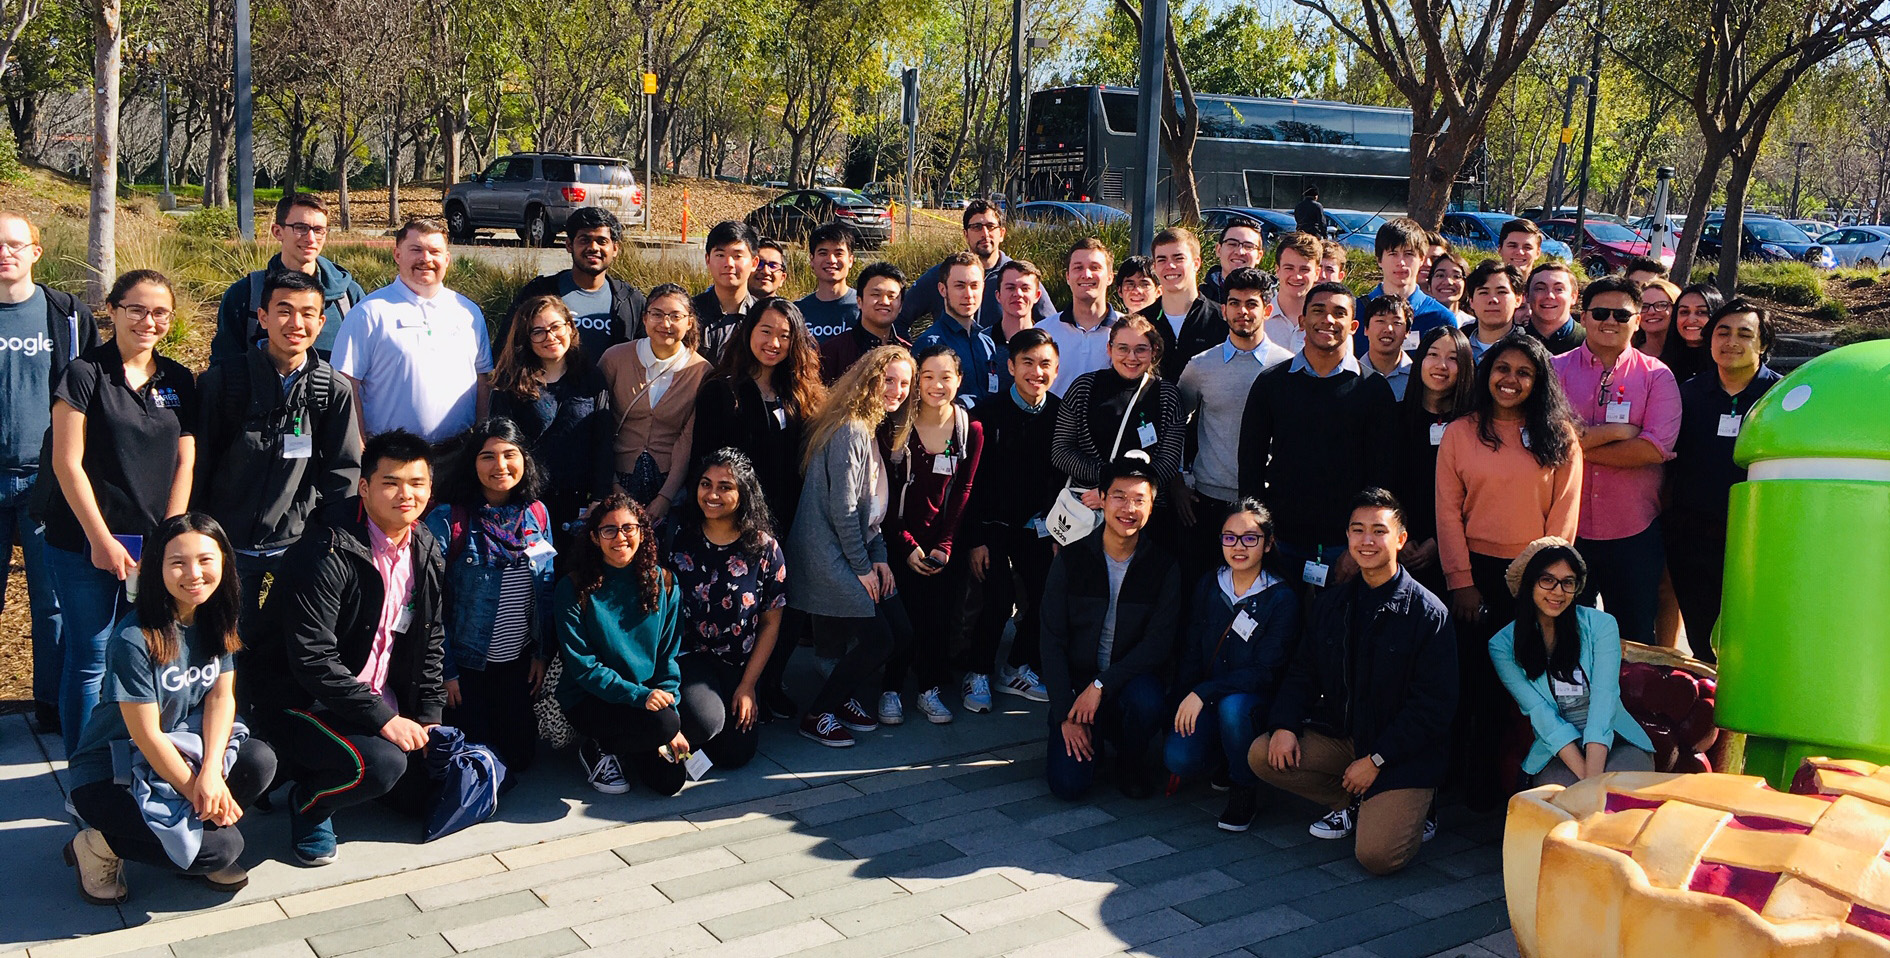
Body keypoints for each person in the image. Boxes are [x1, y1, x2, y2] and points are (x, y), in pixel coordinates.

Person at [243, 430, 445, 866]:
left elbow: (430, 635)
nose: (405, 494)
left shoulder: (424, 545)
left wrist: (429, 715)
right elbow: (312, 660)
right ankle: (310, 802)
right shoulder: (324, 550)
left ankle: (304, 768)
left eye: (417, 483)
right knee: (383, 766)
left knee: (422, 790)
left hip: (367, 696)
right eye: (391, 482)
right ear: (366, 487)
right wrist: (385, 719)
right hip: (303, 699)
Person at [64, 514, 277, 903]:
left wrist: (211, 773)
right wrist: (198, 790)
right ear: (156, 567)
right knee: (221, 849)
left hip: (182, 750)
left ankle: (184, 825)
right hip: (113, 771)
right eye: (177, 562)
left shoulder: (215, 616)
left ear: (225, 562)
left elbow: (219, 697)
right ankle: (98, 845)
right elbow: (146, 736)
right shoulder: (134, 638)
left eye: (205, 560)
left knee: (259, 760)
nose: (193, 573)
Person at [1253, 488, 1457, 876]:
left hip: (1402, 755)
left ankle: (1416, 805)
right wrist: (1284, 724)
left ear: (1399, 539)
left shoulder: (1429, 615)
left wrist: (1377, 760)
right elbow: (1303, 672)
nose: (1367, 541)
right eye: (1357, 530)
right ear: (1346, 539)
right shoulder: (1333, 603)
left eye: (1378, 531)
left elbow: (1434, 708)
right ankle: (1351, 803)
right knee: (1263, 754)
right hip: (1347, 737)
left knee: (1377, 857)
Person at [45, 270, 198, 758]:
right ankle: (84, 773)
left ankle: (138, 761)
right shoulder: (84, 374)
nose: (147, 321)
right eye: (136, 309)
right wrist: (100, 538)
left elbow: (185, 460)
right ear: (112, 310)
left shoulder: (176, 379)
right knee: (90, 658)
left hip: (152, 546)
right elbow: (67, 462)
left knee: (145, 655)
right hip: (84, 542)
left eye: (159, 313)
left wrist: (170, 539)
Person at [193, 270, 362, 628]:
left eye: (307, 313)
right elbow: (197, 464)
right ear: (263, 316)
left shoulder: (331, 390)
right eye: (284, 311)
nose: (295, 323)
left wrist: (329, 543)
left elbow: (343, 473)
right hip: (227, 545)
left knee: (288, 651)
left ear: (321, 322)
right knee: (229, 648)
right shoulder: (224, 382)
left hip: (295, 545)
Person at [692, 298, 824, 718]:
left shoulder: (798, 391)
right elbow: (708, 461)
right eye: (766, 331)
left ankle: (770, 683)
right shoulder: (722, 389)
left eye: (786, 336)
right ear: (748, 331)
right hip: (736, 521)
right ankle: (736, 687)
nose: (774, 342)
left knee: (782, 607)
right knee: (741, 610)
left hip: (789, 517)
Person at [786, 345, 917, 747]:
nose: (896, 390)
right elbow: (844, 512)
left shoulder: (870, 428)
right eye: (888, 380)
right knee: (880, 639)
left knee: (902, 633)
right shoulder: (850, 430)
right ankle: (818, 713)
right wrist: (863, 568)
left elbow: (870, 514)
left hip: (855, 551)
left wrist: (878, 560)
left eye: (904, 383)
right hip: (830, 556)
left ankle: (840, 698)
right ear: (868, 380)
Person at [0, 210, 97, 735]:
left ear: (36, 252)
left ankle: (51, 710)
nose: (5, 253)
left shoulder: (66, 315)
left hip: (48, 479)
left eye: (16, 244)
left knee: (52, 603)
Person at [1040, 451, 1181, 801]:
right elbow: (1051, 639)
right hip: (1077, 689)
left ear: (1152, 505)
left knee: (1148, 701)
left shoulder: (1164, 567)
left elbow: (1157, 645)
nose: (1128, 509)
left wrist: (1102, 684)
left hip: (1127, 685)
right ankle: (1089, 736)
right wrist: (1064, 713)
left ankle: (1131, 759)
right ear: (1101, 499)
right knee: (1068, 786)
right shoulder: (1071, 559)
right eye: (1118, 496)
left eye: (1139, 500)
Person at [1238, 282, 1397, 591]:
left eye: (1339, 313)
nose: (1328, 319)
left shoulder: (1374, 390)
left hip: (1348, 547)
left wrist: (1360, 546)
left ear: (1353, 325)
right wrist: (1260, 534)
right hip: (1282, 541)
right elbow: (1250, 463)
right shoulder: (1272, 383)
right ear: (1302, 321)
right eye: (1318, 311)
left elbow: (1383, 475)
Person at [423, 419, 558, 775]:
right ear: (472, 463)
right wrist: (445, 672)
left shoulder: (537, 513)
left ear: (524, 459)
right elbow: (429, 605)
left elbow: (544, 592)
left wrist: (541, 654)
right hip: (466, 669)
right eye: (488, 456)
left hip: (516, 663)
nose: (500, 466)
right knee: (470, 757)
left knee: (519, 759)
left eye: (509, 454)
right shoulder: (449, 519)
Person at [1552, 276, 1681, 645]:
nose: (1610, 321)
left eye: (1621, 314)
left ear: (1638, 320)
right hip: (1566, 528)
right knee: (1564, 637)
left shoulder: (1657, 377)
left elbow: (1653, 449)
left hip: (1634, 532)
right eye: (1600, 312)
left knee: (1636, 636)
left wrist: (1580, 443)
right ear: (1583, 315)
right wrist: (1615, 432)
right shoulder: (1554, 370)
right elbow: (1549, 441)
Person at [1163, 499, 1297, 832]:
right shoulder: (1210, 584)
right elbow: (1191, 648)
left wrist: (1202, 692)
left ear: (1268, 543)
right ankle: (1223, 755)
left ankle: (1244, 786)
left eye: (1250, 538)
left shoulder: (1281, 598)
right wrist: (1184, 697)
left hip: (1252, 702)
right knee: (1179, 757)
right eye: (1229, 537)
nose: (1239, 546)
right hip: (1207, 698)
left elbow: (1265, 672)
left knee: (1234, 709)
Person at [1666, 301, 1780, 662]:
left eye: (1745, 334)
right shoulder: (1687, 394)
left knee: (1754, 640)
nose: (1732, 341)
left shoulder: (1783, 397)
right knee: (1702, 641)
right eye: (1723, 332)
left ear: (1762, 344)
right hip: (1694, 539)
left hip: (1759, 541)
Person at [1490, 537, 1655, 786]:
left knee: (1616, 792)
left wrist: (1593, 778)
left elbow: (1604, 698)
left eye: (1568, 583)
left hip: (1615, 738)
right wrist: (1586, 778)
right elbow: (1540, 713)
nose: (1558, 592)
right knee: (1562, 801)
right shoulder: (1502, 644)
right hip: (1555, 748)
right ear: (1528, 582)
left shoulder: (1601, 625)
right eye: (1547, 580)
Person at [877, 344, 984, 726]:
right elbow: (882, 493)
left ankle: (929, 688)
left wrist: (946, 543)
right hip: (899, 538)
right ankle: (890, 688)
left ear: (959, 380)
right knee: (900, 619)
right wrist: (905, 545)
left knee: (938, 618)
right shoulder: (893, 425)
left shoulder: (968, 428)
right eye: (928, 377)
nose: (937, 385)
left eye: (946, 377)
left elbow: (964, 490)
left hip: (941, 542)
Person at [556, 494, 689, 797]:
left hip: (644, 696)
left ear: (642, 532)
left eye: (629, 528)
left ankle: (635, 744)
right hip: (590, 697)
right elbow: (584, 667)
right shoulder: (574, 588)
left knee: (670, 782)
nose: (620, 537)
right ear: (594, 536)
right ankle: (597, 746)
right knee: (662, 724)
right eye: (609, 530)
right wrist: (641, 698)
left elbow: (668, 655)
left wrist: (672, 710)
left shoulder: (664, 582)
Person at [664, 450, 786, 771]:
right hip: (688, 658)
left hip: (738, 662)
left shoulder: (764, 548)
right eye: (706, 484)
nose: (713, 494)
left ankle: (688, 743)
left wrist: (748, 686)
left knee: (736, 754)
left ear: (743, 492)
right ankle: (659, 743)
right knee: (706, 723)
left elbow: (771, 623)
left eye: (725, 486)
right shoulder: (679, 537)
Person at [960, 327, 1059, 711]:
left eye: (1045, 364)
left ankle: (1018, 667)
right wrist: (975, 540)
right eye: (1028, 363)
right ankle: (978, 672)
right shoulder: (987, 413)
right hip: (992, 528)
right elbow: (971, 484)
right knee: (997, 599)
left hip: (1042, 525)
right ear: (1012, 366)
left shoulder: (1060, 412)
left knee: (1043, 596)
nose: (1037, 372)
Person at [332, 218, 492, 441]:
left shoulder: (468, 312)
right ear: (397, 255)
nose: (426, 259)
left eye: (435, 251)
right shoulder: (369, 313)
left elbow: (483, 378)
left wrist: (482, 440)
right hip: (392, 458)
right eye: (416, 249)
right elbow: (347, 383)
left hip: (458, 456)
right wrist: (360, 447)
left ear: (447, 259)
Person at [1176, 267, 1292, 574]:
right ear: (1224, 309)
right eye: (1234, 303)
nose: (1243, 311)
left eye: (1251, 303)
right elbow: (1173, 424)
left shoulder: (1288, 366)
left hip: (1268, 501)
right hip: (1209, 500)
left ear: (1267, 309)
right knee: (1205, 590)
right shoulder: (1201, 366)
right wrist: (1176, 481)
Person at [488, 296, 611, 549]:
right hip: (527, 502)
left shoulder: (592, 377)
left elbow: (604, 441)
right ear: (526, 338)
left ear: (570, 327)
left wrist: (599, 498)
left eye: (556, 327)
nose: (550, 336)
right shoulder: (510, 383)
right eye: (538, 331)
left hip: (580, 502)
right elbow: (502, 445)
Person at [210, 194, 366, 364]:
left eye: (319, 230)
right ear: (277, 231)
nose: (311, 238)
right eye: (301, 228)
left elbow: (367, 362)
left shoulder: (348, 295)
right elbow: (223, 367)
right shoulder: (245, 294)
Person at [598, 283, 710, 522]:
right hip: (615, 476)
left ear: (689, 321)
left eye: (675, 316)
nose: (665, 324)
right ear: (645, 318)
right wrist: (613, 485)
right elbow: (598, 424)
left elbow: (687, 439)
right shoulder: (615, 358)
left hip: (670, 483)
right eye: (657, 314)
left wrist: (665, 498)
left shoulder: (701, 371)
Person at [1052, 316, 1186, 513]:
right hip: (1087, 506)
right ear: (1109, 349)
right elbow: (1061, 452)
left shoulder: (1168, 396)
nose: (1131, 357)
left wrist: (1118, 493)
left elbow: (1168, 461)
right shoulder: (1083, 388)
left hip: (1144, 513)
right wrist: (1106, 481)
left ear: (1153, 351)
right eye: (1123, 348)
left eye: (1140, 349)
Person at [500, 206, 646, 359]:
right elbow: (507, 351)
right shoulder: (538, 293)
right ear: (569, 245)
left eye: (602, 241)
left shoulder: (631, 301)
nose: (593, 248)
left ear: (615, 249)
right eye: (585, 240)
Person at [1394, 325, 1476, 599]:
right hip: (1397, 545)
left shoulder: (1475, 426)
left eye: (1453, 358)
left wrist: (1439, 542)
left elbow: (1476, 496)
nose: (1441, 365)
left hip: (1459, 554)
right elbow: (1381, 481)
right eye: (1432, 354)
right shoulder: (1393, 418)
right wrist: (1399, 535)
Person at [899, 200, 1053, 335]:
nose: (985, 233)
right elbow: (899, 318)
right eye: (977, 227)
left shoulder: (1019, 278)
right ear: (965, 234)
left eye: (991, 226)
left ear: (1002, 233)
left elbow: (1052, 326)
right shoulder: (942, 275)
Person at [911, 252, 1004, 406]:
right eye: (959, 286)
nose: (968, 294)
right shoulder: (931, 343)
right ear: (942, 289)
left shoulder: (987, 342)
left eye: (974, 286)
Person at [1355, 217, 1458, 356]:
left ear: (1422, 259)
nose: (1401, 263)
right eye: (1393, 254)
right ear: (1379, 259)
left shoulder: (1440, 318)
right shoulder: (1356, 312)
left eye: (1409, 254)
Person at [1143, 227, 1227, 382]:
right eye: (1162, 259)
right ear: (1154, 267)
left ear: (1196, 263)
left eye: (1178, 258)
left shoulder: (1222, 321)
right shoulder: (1141, 323)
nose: (1170, 266)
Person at [1044, 238, 1121, 392]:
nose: (1086, 274)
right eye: (1078, 268)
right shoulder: (1044, 330)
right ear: (1067, 277)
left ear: (1110, 277)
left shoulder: (1127, 330)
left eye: (1095, 267)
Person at [819, 262, 909, 384]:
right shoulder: (832, 352)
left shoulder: (908, 352)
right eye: (876, 294)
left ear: (901, 306)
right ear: (859, 301)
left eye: (891, 296)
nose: (884, 301)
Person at [693, 221, 760, 361]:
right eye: (720, 255)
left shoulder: (761, 316)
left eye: (737, 256)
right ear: (707, 260)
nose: (728, 264)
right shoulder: (689, 312)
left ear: (754, 263)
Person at [797, 223, 860, 341]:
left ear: (851, 260)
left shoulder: (864, 308)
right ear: (812, 260)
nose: (831, 260)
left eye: (838, 254)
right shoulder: (798, 311)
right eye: (823, 253)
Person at [1264, 232, 1323, 356]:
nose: (1297, 276)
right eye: (1289, 268)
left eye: (1304, 269)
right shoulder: (1259, 319)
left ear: (1317, 273)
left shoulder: (1327, 323)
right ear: (1277, 270)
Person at [1463, 260, 1525, 362]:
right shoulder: (1454, 346)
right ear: (1471, 301)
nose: (1493, 300)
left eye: (1501, 292)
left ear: (1518, 300)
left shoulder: (1531, 351)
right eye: (1484, 292)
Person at [1522, 262, 1585, 356]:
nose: (1549, 296)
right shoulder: (1512, 341)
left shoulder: (1590, 343)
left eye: (1559, 289)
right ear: (1527, 295)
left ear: (1573, 297)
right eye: (1540, 288)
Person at [1663, 283, 1722, 384]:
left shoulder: (1725, 364)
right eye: (1684, 312)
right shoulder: (1662, 366)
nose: (1691, 319)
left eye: (1701, 312)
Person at [1360, 296, 1416, 401]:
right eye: (1381, 321)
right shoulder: (1351, 375)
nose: (1388, 329)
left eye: (1397, 323)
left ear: (1407, 332)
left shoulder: (1418, 378)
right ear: (1366, 329)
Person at [1200, 216, 1266, 305]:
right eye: (1232, 244)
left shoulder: (1271, 300)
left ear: (1259, 256)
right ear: (1218, 250)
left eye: (1248, 246)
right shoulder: (1199, 300)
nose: (1240, 252)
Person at [992, 259, 1044, 347]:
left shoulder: (1049, 342)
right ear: (998, 295)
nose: (1018, 294)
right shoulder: (981, 343)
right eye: (1010, 288)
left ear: (1037, 296)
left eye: (1025, 288)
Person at [1632, 277, 1680, 362]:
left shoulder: (1690, 356)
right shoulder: (1626, 356)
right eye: (1644, 307)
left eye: (1661, 305)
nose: (1651, 312)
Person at [1428, 251, 1471, 323]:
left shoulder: (1472, 326)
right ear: (1429, 283)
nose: (1448, 282)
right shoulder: (1416, 321)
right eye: (1440, 275)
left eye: (1456, 276)